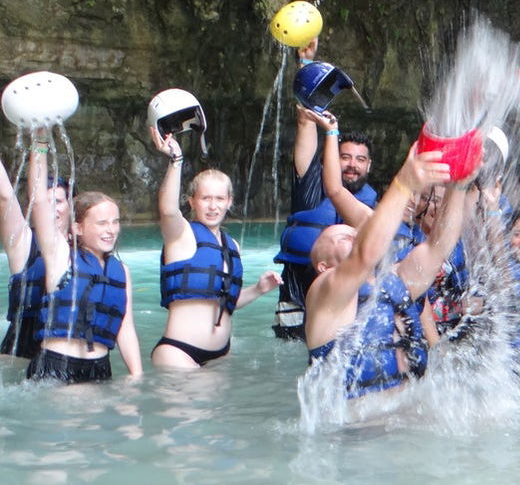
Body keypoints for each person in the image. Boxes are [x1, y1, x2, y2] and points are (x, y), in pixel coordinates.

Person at [303, 144, 465, 399]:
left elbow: (440, 245)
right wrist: (404, 182)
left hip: (404, 420)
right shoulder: (324, 292)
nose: (353, 234)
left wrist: (460, 183)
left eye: (354, 233)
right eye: (343, 236)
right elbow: (364, 254)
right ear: (323, 265)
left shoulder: (394, 279)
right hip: (353, 432)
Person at [150, 129, 281, 368]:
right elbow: (168, 210)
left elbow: (224, 301)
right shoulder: (181, 234)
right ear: (192, 201)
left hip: (221, 355)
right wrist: (175, 160)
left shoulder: (232, 246)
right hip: (180, 353)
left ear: (229, 202)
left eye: (219, 199)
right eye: (205, 198)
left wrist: (259, 289)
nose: (213, 206)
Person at [273, 47, 379, 340]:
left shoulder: (371, 204)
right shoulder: (312, 184)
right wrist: (306, 64)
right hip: (300, 285)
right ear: (330, 157)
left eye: (360, 160)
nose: (352, 165)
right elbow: (306, 120)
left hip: (346, 292)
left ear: (369, 166)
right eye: (345, 157)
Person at [27, 134, 142, 382]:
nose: (110, 230)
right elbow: (38, 203)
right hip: (56, 366)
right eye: (101, 223)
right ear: (78, 228)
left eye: (115, 222)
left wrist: (137, 375)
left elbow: (125, 326)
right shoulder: (60, 256)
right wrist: (40, 144)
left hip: (100, 369)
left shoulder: (121, 271)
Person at [0, 159, 68, 360]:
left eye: (58, 202)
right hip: (20, 355)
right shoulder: (23, 242)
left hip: (69, 356)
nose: (51, 209)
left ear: (72, 204)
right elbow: (4, 197)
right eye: (45, 203)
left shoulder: (86, 248)